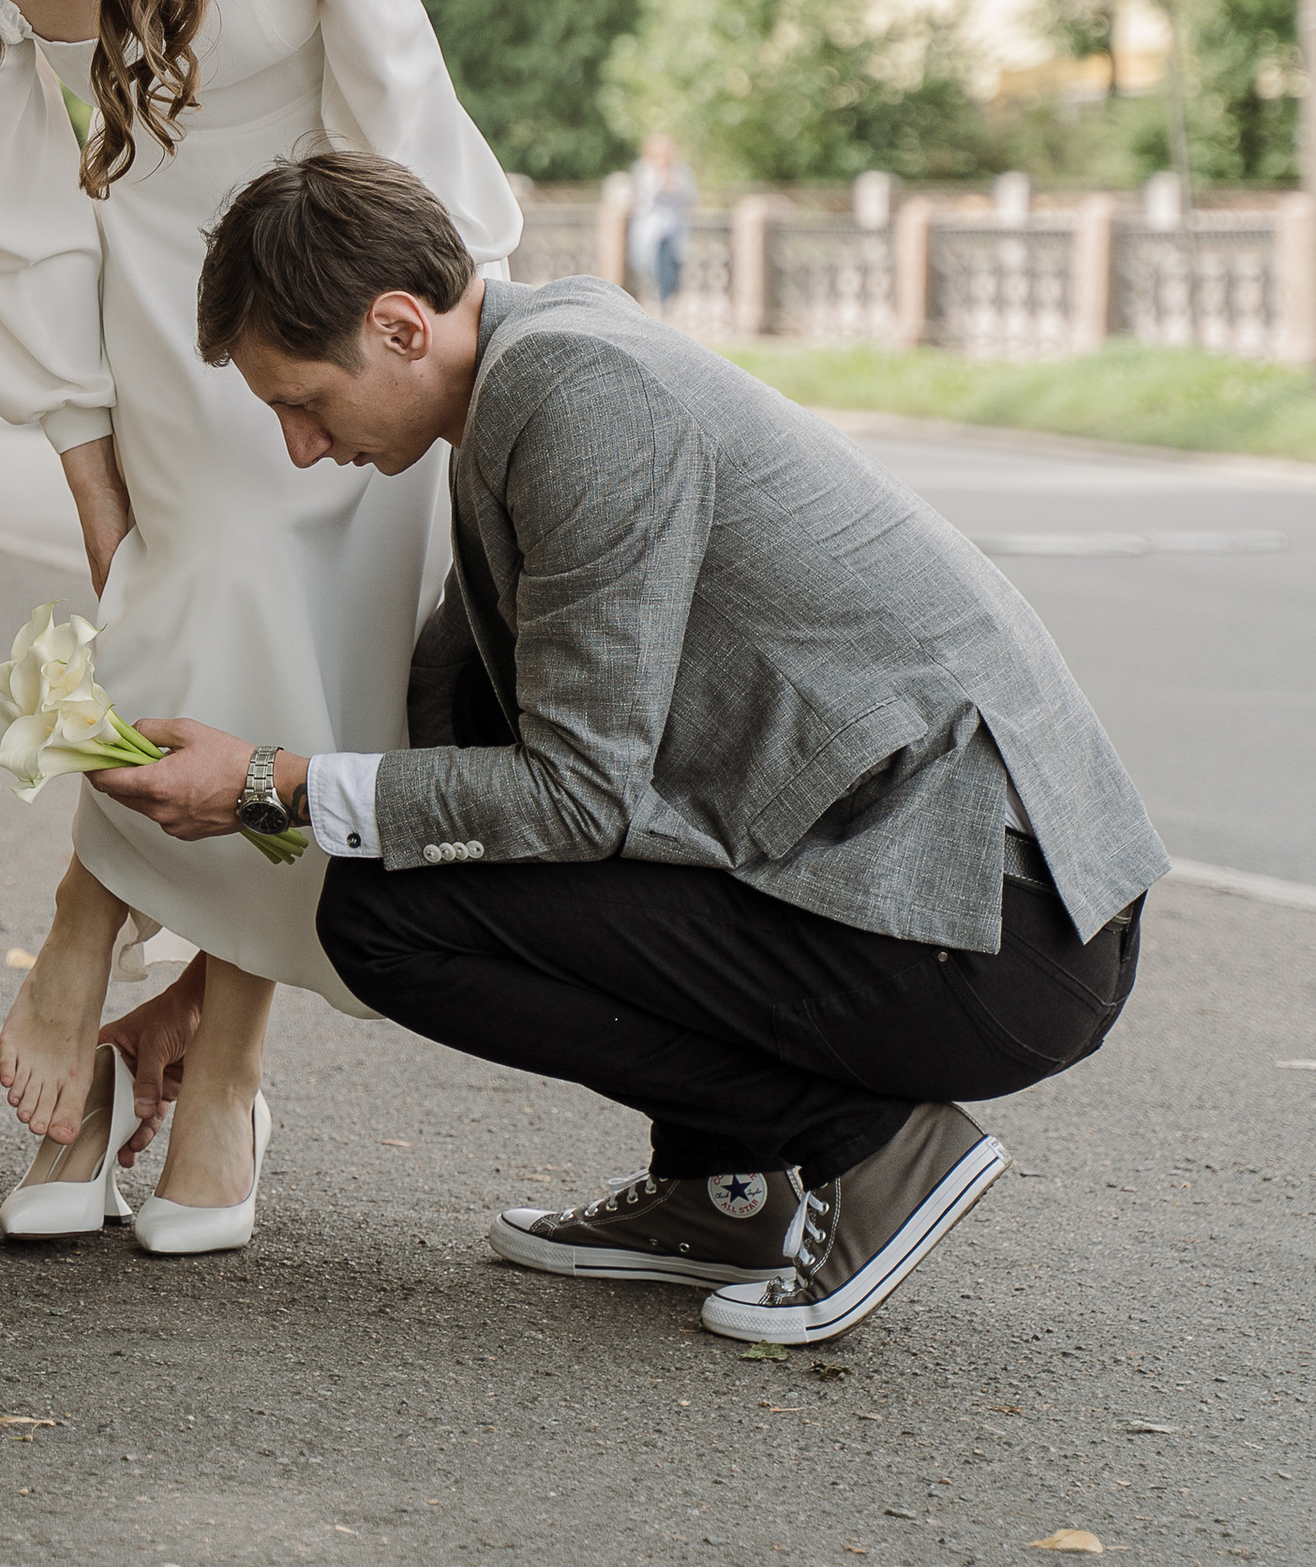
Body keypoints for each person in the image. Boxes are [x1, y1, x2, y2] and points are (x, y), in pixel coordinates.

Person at [90, 150, 1164, 1343]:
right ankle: (725, 1188)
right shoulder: (534, 362)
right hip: (940, 899)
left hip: (983, 929)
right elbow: (457, 733)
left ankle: (875, 1148)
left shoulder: (576, 394)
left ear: (397, 327)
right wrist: (213, 964)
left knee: (389, 918)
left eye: (301, 401)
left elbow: (576, 797)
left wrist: (259, 785)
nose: (299, 445)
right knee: (429, 833)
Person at [0, 0, 519, 1254]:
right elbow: (24, 211)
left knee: (305, 682)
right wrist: (91, 479)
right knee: (204, 607)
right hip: (165, 325)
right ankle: (158, 1034)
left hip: (336, 315)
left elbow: (395, 76)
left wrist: (439, 343)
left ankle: (191, 1045)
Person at [625, 130, 696, 311]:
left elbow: (690, 197)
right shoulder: (643, 171)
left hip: (674, 228)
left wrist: (668, 177)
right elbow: (641, 198)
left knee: (673, 266)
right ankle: (654, 302)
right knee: (648, 267)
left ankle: (667, 302)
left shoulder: (681, 172)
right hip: (650, 229)